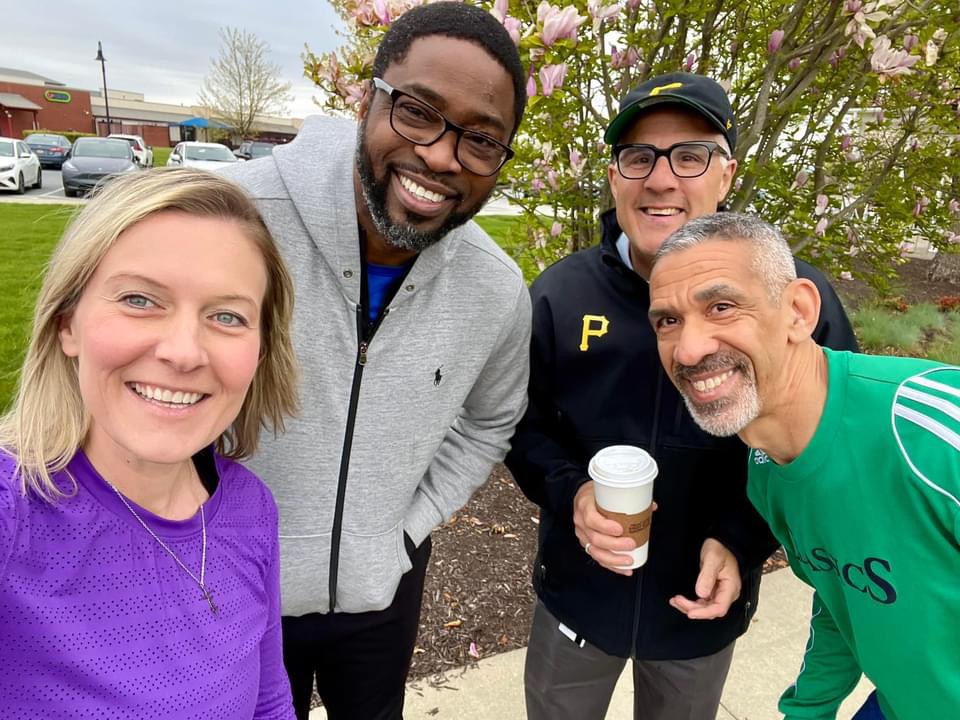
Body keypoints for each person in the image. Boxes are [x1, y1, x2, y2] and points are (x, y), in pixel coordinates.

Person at [505, 72, 859, 720]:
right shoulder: (561, 295)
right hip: (577, 598)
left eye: (688, 155)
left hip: (701, 611)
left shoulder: (790, 302)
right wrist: (570, 492)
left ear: (727, 174)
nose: (661, 179)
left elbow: (817, 449)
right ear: (614, 177)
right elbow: (518, 426)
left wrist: (744, 540)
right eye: (638, 157)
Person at [220, 4, 531, 718]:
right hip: (233, 588)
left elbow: (492, 422)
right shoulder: (234, 219)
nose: (442, 155)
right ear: (369, 100)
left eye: (481, 140)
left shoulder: (495, 291)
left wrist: (401, 528)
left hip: (382, 586)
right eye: (419, 112)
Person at [0, 167, 299, 718]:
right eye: (140, 300)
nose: (184, 352)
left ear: (259, 351)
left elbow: (270, 699)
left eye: (227, 316)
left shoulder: (251, 509)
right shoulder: (14, 509)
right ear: (68, 323)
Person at [648, 211, 960, 720]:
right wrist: (808, 710)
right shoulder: (768, 467)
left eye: (722, 307)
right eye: (668, 321)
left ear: (798, 310)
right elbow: (847, 589)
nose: (688, 348)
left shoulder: (934, 432)